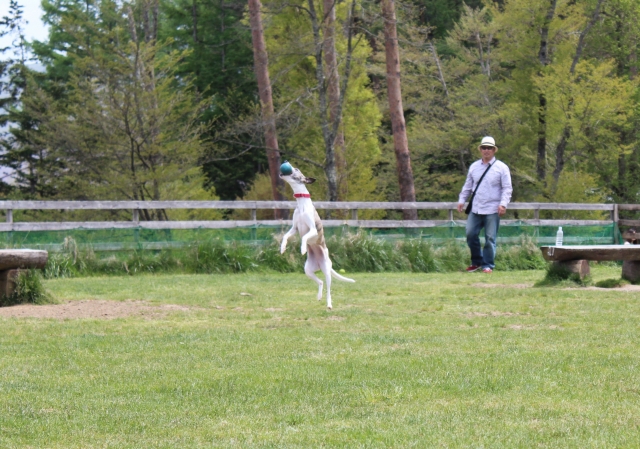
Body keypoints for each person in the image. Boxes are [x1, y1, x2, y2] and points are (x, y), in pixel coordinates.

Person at [457, 136, 513, 273]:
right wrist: (461, 200)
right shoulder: (474, 167)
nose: (486, 150)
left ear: (494, 150)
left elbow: (507, 188)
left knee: (490, 238)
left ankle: (487, 264)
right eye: (484, 148)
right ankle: (476, 261)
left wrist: (503, 204)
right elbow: (468, 186)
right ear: (480, 150)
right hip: (476, 207)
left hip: (492, 209)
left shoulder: (501, 168)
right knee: (470, 234)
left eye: (489, 148)